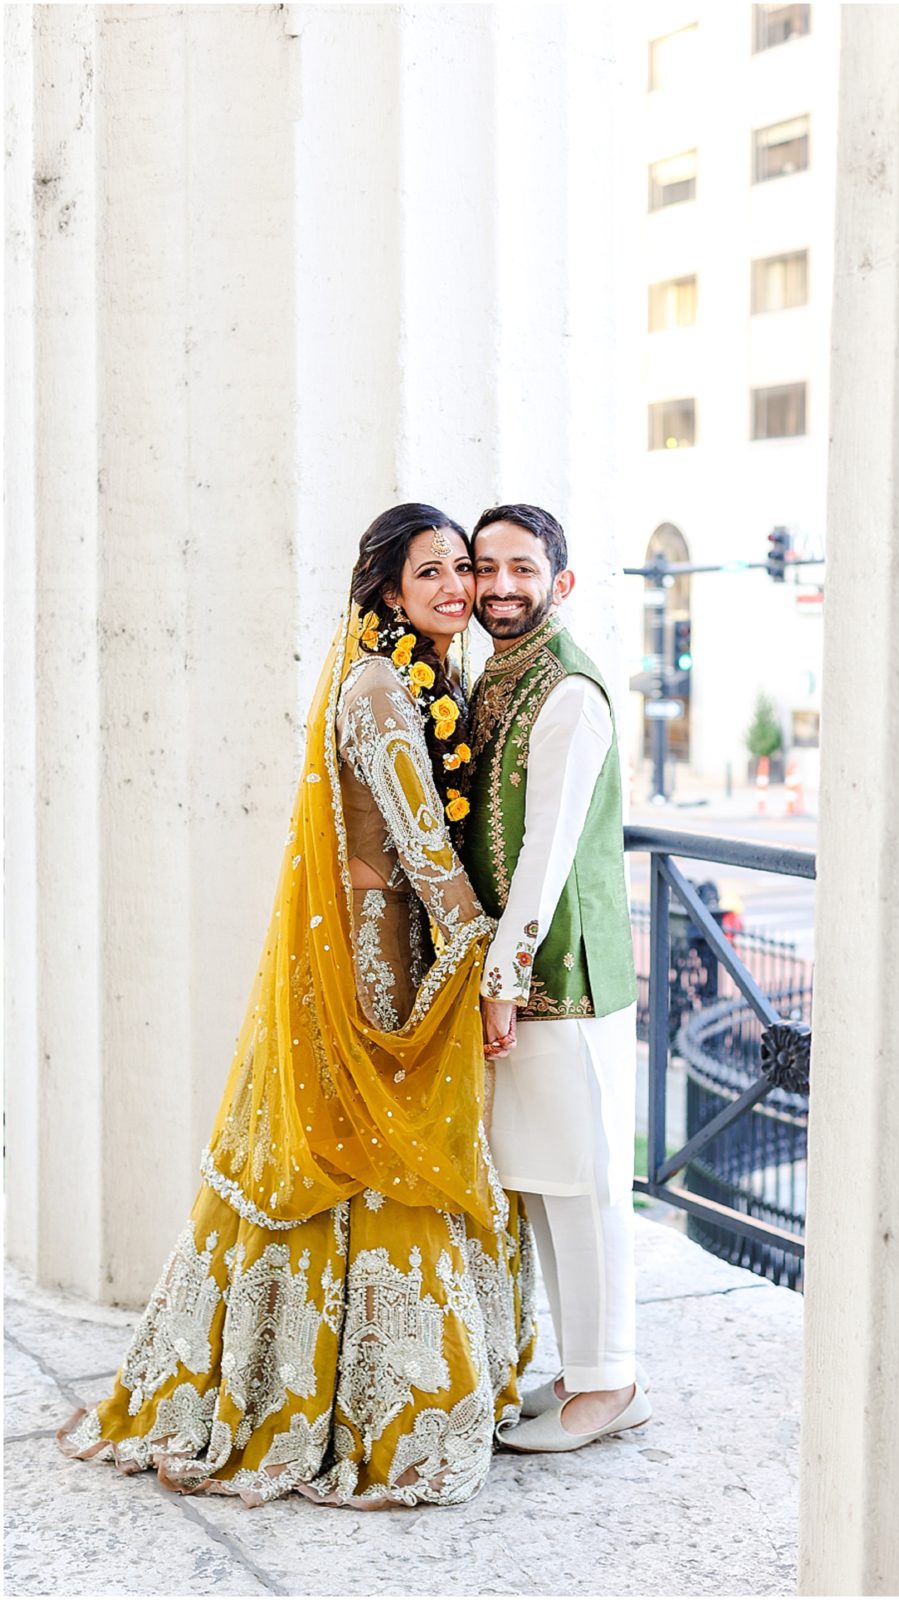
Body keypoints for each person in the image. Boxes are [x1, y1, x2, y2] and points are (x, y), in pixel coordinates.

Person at [58, 504, 535, 1508]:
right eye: (432, 573)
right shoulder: (375, 689)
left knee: (370, 1150)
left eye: (462, 569)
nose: (457, 588)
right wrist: (490, 957)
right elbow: (423, 848)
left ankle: (351, 1385)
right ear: (388, 591)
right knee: (366, 1146)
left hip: (395, 938)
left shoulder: (418, 675)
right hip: (375, 958)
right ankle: (361, 1404)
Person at [456, 503, 652, 1451]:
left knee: (581, 1181)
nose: (499, 585)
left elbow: (548, 847)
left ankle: (610, 1383)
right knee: (539, 1177)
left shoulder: (566, 691)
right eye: (485, 566)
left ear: (560, 582)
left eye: (521, 568)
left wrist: (503, 973)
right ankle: (581, 1371)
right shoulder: (499, 676)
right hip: (521, 972)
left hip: (556, 972)